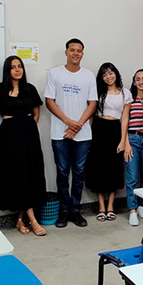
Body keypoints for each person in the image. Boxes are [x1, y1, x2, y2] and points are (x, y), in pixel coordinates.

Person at [0, 56, 48, 236]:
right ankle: (32, 221)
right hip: (9, 137)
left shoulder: (29, 89)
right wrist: (3, 137)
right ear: (7, 71)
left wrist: (27, 127)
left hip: (29, 136)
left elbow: (36, 113)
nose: (17, 70)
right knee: (17, 175)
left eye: (20, 66)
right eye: (13, 67)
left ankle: (20, 219)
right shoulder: (0, 90)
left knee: (30, 174)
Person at [45, 38, 97, 228]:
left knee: (79, 173)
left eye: (79, 50)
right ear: (66, 52)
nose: (76, 53)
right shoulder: (55, 74)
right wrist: (68, 122)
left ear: (83, 54)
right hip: (60, 133)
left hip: (82, 135)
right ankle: (63, 211)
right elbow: (49, 101)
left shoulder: (88, 76)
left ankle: (75, 210)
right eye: (72, 50)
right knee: (62, 173)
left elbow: (93, 103)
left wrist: (78, 125)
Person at [86, 63, 132, 222]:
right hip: (98, 130)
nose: (108, 77)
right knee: (98, 168)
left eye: (111, 73)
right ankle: (101, 207)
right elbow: (91, 115)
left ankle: (111, 206)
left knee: (114, 168)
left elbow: (125, 118)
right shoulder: (98, 92)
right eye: (105, 74)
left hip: (115, 130)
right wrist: (88, 135)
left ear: (116, 74)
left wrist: (123, 140)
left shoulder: (125, 93)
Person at [125, 69, 143, 226]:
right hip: (132, 139)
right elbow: (124, 122)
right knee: (132, 176)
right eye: (138, 79)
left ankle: (142, 205)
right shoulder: (130, 99)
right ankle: (132, 210)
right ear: (134, 82)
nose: (141, 82)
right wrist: (126, 143)